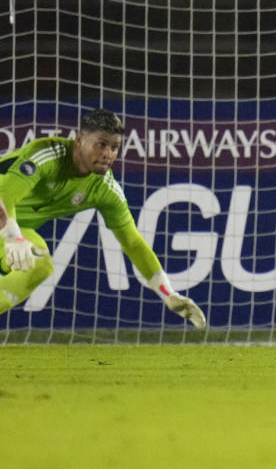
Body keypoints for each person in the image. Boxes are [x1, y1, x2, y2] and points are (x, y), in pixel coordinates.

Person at [0, 108, 206, 328]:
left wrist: (168, 293)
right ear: (79, 140)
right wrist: (13, 238)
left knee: (39, 265)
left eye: (115, 147)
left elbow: (133, 243)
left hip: (11, 229)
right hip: (6, 224)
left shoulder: (104, 189)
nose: (108, 154)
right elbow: (3, 196)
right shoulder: (47, 154)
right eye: (101, 144)